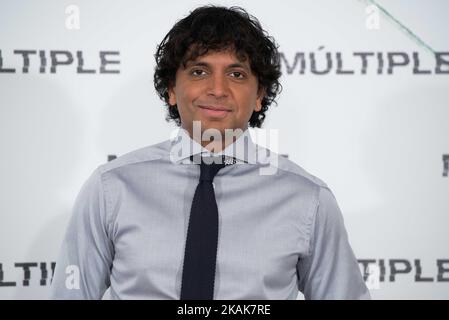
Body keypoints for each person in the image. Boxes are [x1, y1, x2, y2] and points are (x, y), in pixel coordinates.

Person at [50, 5, 370, 300]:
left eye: (236, 74)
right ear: (171, 90)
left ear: (259, 95)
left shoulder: (308, 199)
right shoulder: (111, 188)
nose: (217, 89)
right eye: (199, 72)